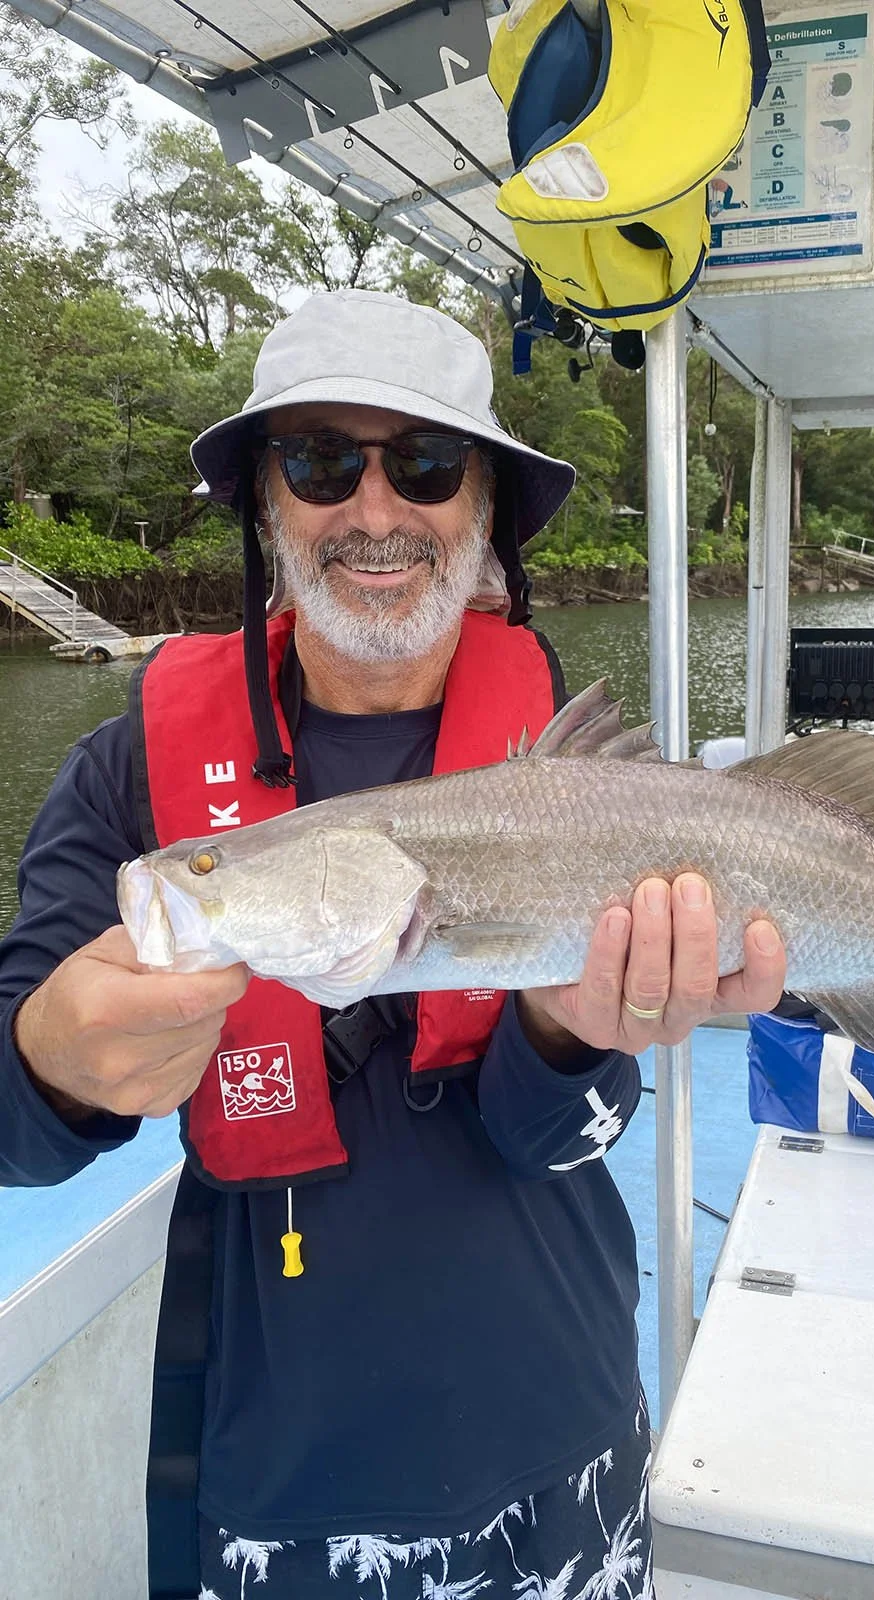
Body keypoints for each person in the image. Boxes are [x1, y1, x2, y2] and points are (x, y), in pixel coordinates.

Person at [0, 291, 786, 1597]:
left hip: (562, 1441)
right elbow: (11, 1137)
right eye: (321, 461)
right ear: (266, 501)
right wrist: (51, 1063)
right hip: (279, 1481)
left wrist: (565, 1034)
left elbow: (562, 1137)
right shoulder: (129, 773)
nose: (374, 509)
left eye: (424, 464)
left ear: (483, 512)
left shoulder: (591, 781)